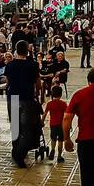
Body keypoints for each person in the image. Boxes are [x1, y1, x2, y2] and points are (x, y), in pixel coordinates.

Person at [5, 40, 40, 168]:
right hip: (27, 98)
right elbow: (38, 83)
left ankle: (16, 151)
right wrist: (40, 97)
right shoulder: (33, 65)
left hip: (12, 97)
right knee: (28, 129)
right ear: (27, 50)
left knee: (15, 126)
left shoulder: (10, 65)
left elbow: (8, 82)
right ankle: (19, 154)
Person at [45, 85, 68, 163]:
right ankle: (59, 156)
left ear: (52, 94)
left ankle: (52, 149)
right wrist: (68, 125)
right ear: (61, 94)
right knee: (61, 140)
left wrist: (42, 121)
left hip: (53, 124)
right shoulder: (63, 104)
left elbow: (45, 114)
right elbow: (66, 116)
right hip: (61, 125)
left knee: (53, 139)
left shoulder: (49, 104)